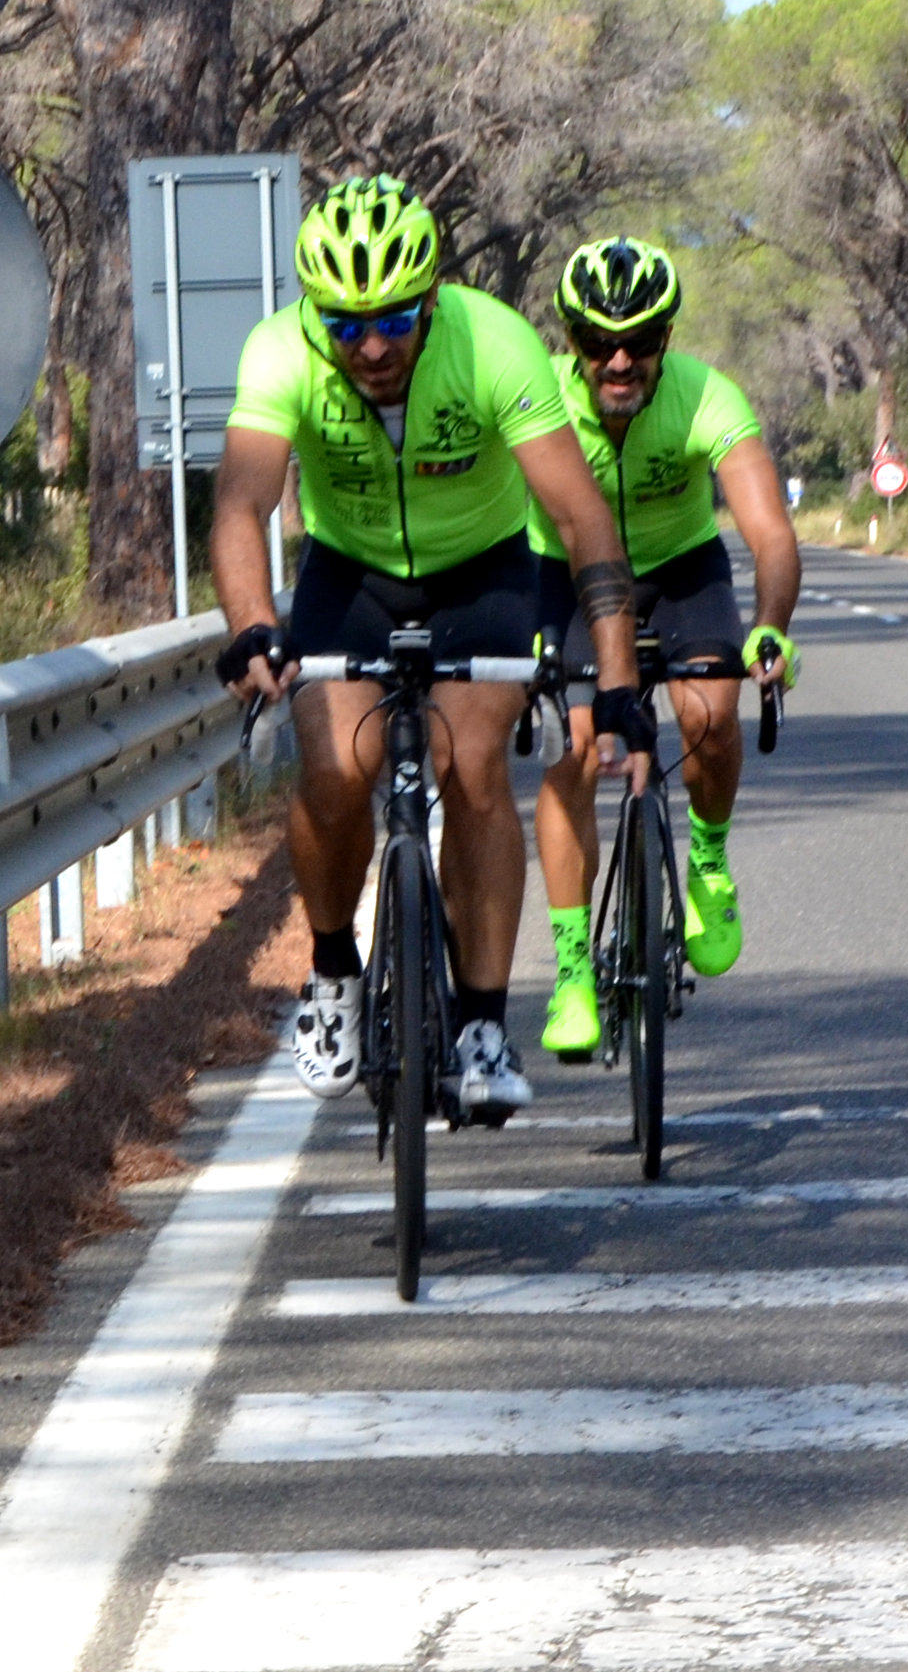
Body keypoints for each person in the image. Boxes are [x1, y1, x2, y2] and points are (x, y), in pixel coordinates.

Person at [210, 176, 650, 1122]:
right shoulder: (279, 350)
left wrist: (616, 675)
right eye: (345, 325)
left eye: (395, 319)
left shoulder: (494, 343)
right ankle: (332, 977)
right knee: (333, 773)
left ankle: (484, 1023)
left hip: (482, 573)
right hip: (350, 574)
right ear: (314, 315)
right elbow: (241, 503)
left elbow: (580, 519)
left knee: (474, 766)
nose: (369, 347)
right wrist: (253, 624)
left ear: (435, 299)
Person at [523, 236, 802, 1060]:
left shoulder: (707, 395)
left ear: (666, 341)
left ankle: (709, 860)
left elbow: (769, 533)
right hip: (563, 569)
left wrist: (771, 625)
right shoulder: (534, 394)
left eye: (640, 342)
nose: (618, 361)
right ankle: (573, 973)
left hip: (682, 568)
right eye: (596, 342)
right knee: (576, 749)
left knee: (711, 713)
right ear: (568, 339)